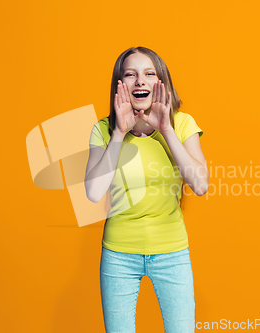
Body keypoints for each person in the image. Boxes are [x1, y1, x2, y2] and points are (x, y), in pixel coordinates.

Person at [84, 46, 209, 333]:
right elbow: (93, 192)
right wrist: (119, 133)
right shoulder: (103, 130)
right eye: (130, 74)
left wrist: (165, 130)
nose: (140, 81)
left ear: (160, 81)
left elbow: (200, 185)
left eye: (149, 73)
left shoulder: (182, 124)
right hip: (118, 254)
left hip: (172, 251)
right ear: (120, 85)